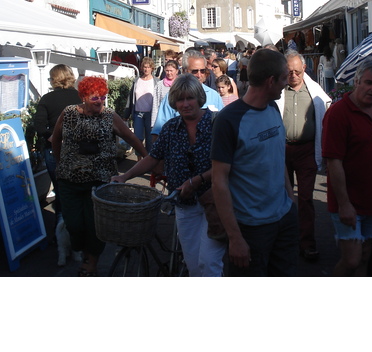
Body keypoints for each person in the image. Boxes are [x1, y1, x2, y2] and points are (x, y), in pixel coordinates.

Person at [112, 74, 226, 276]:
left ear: (199, 98)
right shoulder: (171, 128)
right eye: (180, 99)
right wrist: (125, 176)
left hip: (214, 201)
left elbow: (227, 164)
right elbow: (153, 158)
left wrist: (197, 180)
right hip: (184, 204)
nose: (185, 104)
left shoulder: (216, 124)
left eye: (189, 98)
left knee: (208, 263)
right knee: (193, 264)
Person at [211, 48, 298, 277]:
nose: (286, 83)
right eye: (283, 78)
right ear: (270, 81)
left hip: (283, 220)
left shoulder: (272, 107)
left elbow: (278, 160)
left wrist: (290, 203)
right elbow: (219, 181)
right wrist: (235, 237)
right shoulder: (229, 120)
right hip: (251, 228)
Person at [51, 76, 148, 276]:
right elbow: (56, 139)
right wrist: (60, 163)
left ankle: (91, 263)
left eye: (103, 97)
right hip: (69, 180)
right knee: (74, 225)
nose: (101, 102)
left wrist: (148, 159)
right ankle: (84, 253)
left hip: (100, 180)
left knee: (95, 226)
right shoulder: (68, 113)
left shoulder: (109, 116)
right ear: (84, 97)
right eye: (96, 98)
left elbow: (131, 137)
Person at [322, 58, 372, 276]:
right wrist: (344, 204)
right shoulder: (338, 113)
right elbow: (333, 161)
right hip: (348, 200)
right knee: (351, 260)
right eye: (369, 83)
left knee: (365, 257)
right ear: (357, 81)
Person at [281, 51, 331, 261]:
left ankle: (307, 243)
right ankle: (284, 243)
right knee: (282, 198)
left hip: (306, 151)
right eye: (289, 71)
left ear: (304, 70)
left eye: (297, 71)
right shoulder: (278, 91)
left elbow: (324, 115)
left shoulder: (314, 93)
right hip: (282, 150)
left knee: (305, 199)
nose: (293, 75)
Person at [34, 64, 82, 217]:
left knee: (60, 189)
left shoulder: (47, 99)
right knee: (78, 188)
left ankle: (60, 229)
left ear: (54, 79)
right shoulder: (80, 96)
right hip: (79, 149)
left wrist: (54, 139)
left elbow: (39, 125)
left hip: (54, 150)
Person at [151, 50, 224, 139]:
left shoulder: (214, 96)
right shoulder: (173, 96)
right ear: (184, 71)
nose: (199, 75)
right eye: (195, 71)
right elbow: (158, 132)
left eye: (202, 71)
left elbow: (222, 128)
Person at [123, 57, 158, 154]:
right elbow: (131, 98)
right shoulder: (136, 81)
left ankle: (149, 161)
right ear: (142, 68)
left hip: (151, 114)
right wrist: (126, 114)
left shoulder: (156, 82)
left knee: (150, 139)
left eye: (148, 67)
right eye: (144, 67)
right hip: (138, 113)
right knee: (138, 138)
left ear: (152, 68)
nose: (146, 69)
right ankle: (139, 161)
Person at [150, 59, 180, 129]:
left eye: (171, 71)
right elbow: (155, 104)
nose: (169, 73)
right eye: (167, 71)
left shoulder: (180, 84)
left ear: (177, 71)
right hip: (163, 119)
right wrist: (153, 124)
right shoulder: (159, 85)